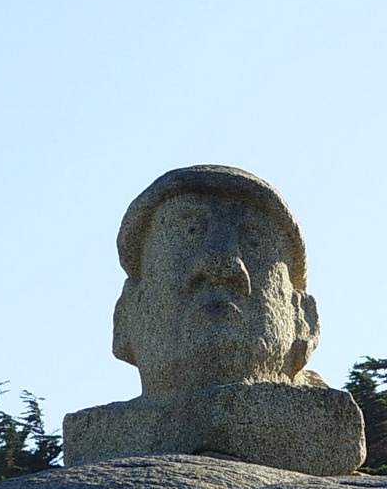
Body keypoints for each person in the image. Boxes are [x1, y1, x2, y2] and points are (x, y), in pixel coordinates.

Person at [113, 165, 323, 400]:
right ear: (126, 315)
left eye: (254, 242)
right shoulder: (103, 436)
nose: (221, 264)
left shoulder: (327, 426)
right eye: (188, 233)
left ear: (304, 319)